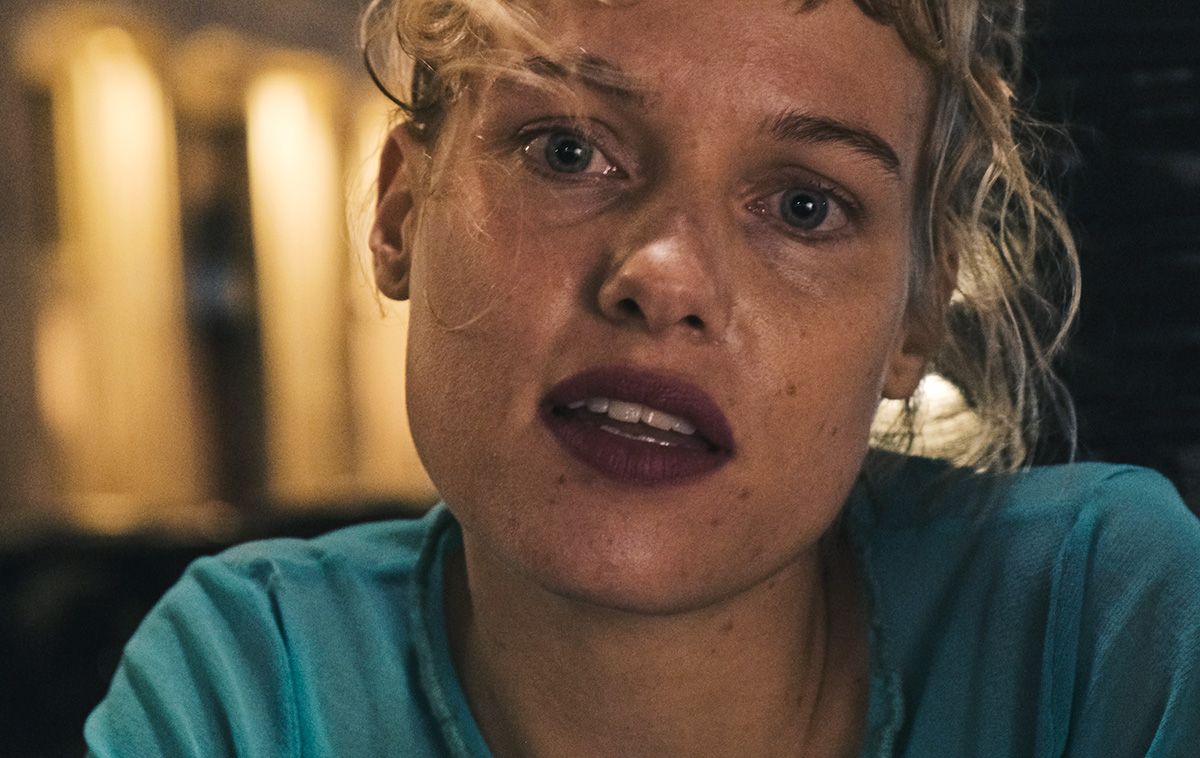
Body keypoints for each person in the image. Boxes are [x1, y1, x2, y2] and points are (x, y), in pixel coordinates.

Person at [86, 0, 1200, 755]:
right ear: (401, 210)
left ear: (914, 316)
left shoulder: (1100, 625)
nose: (665, 277)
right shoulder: (250, 684)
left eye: (803, 206)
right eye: (568, 151)